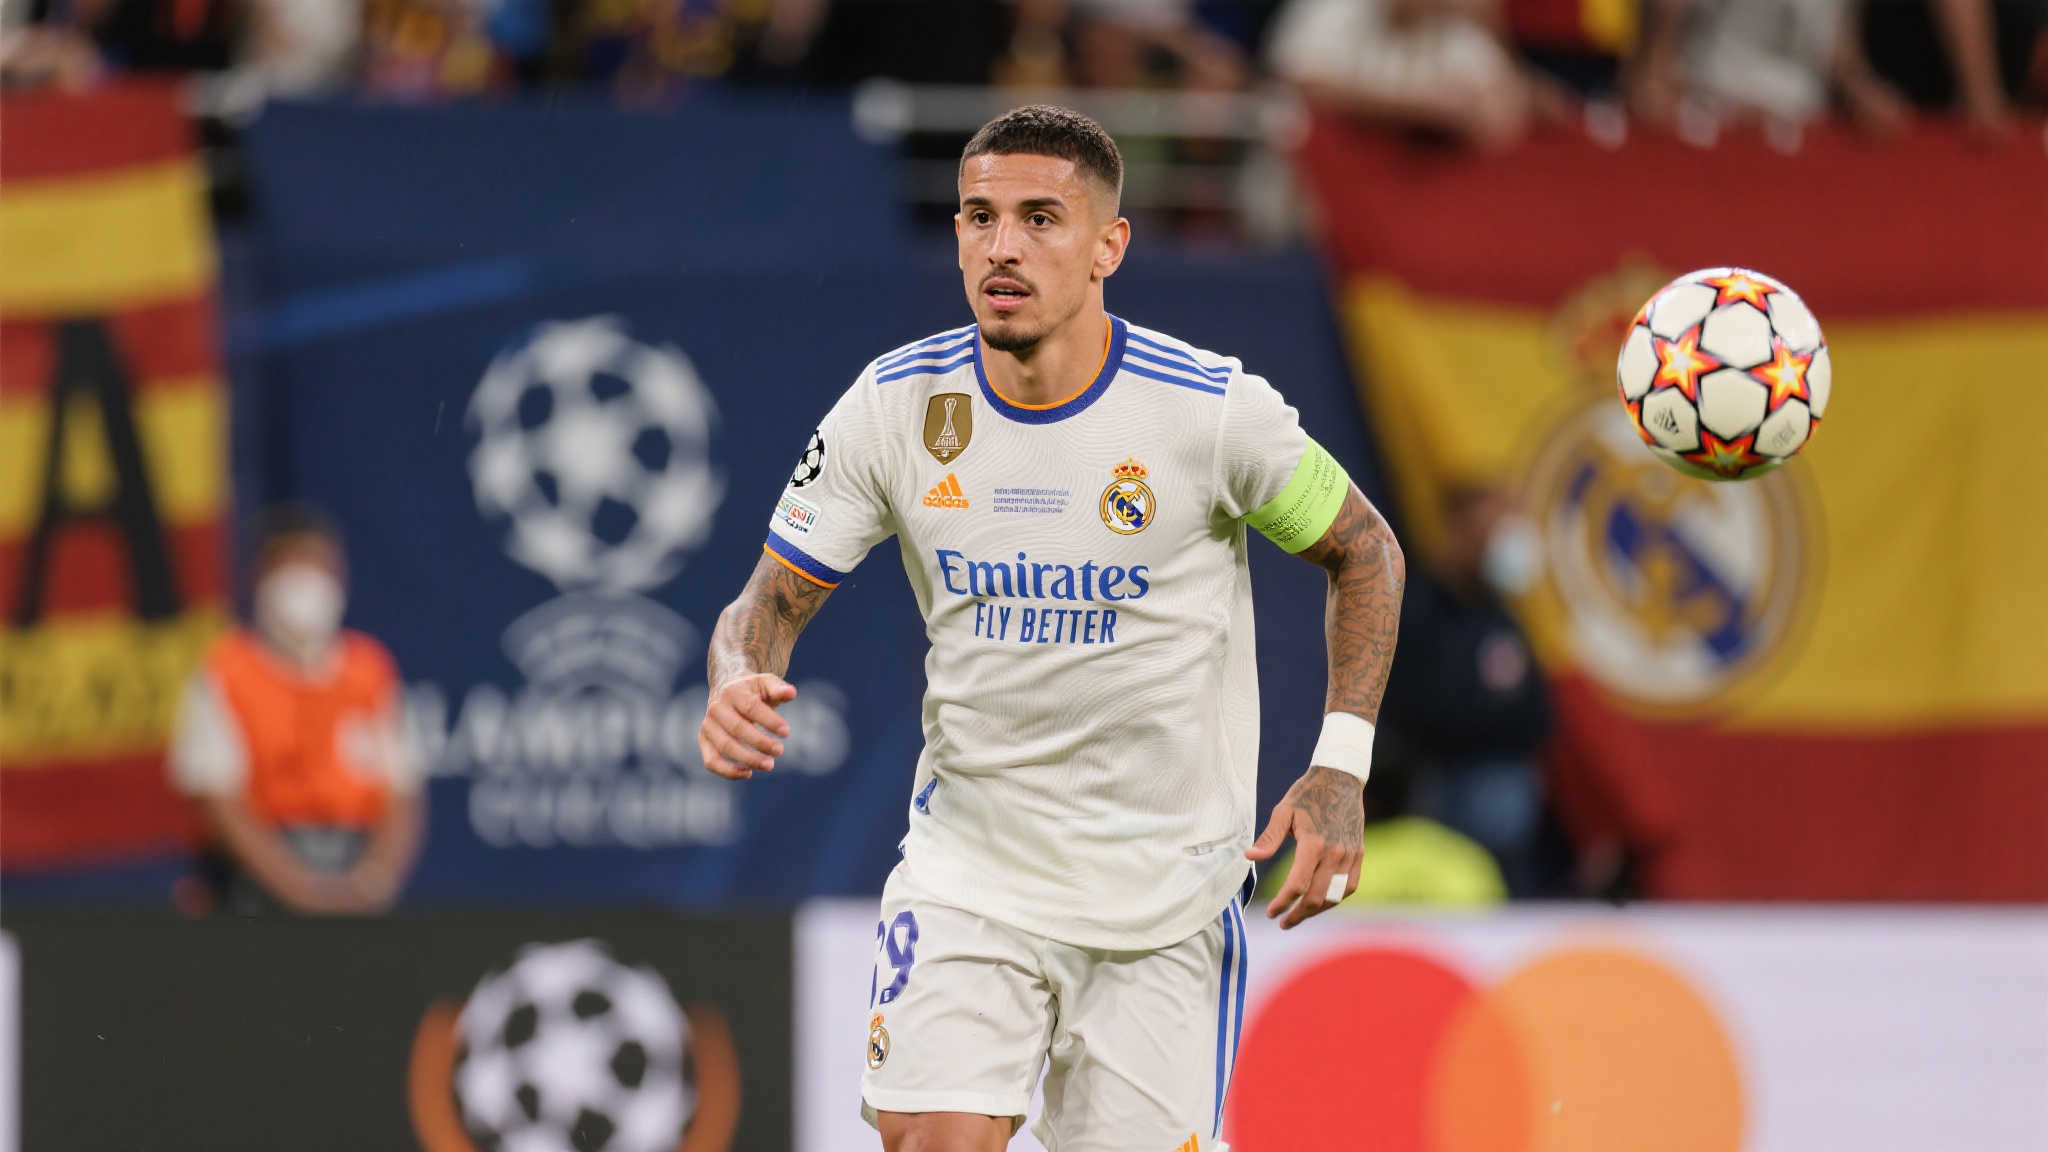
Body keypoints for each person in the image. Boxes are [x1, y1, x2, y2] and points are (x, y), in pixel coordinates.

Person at [699, 106, 1406, 1151]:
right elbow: (765, 601)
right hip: (970, 875)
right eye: (979, 217)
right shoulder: (894, 407)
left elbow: (1366, 550)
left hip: (1164, 904)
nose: (1003, 246)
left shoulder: (1210, 411)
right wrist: (735, 675)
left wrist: (1340, 765)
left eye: (1040, 219)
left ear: (1108, 245)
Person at [168, 504, 422, 915]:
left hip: (354, 871)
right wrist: (303, 892)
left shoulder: (370, 671)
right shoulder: (226, 672)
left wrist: (371, 882)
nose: (306, 583)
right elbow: (218, 803)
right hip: (257, 888)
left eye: (318, 566)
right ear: (260, 577)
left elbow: (403, 796)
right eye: (291, 565)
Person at [1374, 483, 1554, 896]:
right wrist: (1490, 714)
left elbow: (1538, 713)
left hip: (1503, 782)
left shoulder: (1502, 615)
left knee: (1510, 798)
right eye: (1492, 528)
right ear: (1459, 532)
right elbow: (1414, 708)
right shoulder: (1417, 609)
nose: (1504, 541)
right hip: (1436, 786)